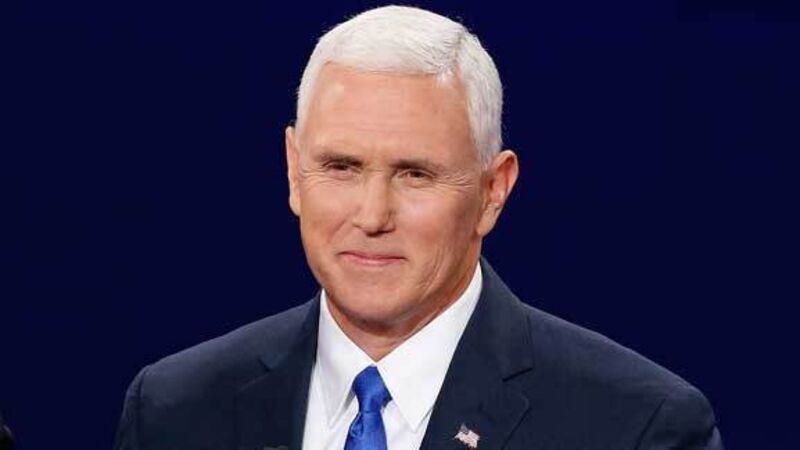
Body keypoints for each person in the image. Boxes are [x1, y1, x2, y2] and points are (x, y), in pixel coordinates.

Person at [115, 5, 722, 450]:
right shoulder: (175, 411)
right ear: (294, 172)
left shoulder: (635, 426)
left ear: (493, 191)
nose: (372, 216)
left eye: (414, 175)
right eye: (341, 167)